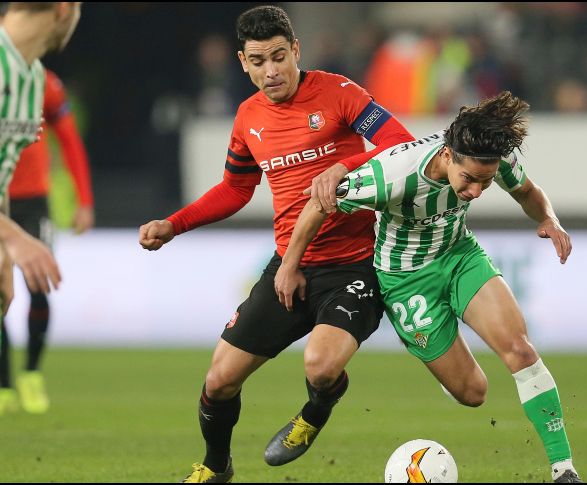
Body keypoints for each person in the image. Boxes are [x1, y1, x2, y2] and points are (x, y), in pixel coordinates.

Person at [138, 5, 413, 483]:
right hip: (290, 266)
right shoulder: (248, 118)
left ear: (296, 51)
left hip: (356, 265)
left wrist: (344, 167)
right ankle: (216, 465)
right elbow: (235, 189)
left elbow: (402, 145)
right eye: (258, 61)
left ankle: (314, 413)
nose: (271, 71)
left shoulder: (339, 92)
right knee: (219, 380)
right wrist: (174, 224)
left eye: (279, 57)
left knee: (321, 367)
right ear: (242, 63)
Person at [274, 91, 582, 483]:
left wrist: (550, 220)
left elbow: (526, 192)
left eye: (484, 183)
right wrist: (289, 265)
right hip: (405, 281)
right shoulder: (394, 174)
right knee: (472, 393)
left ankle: (563, 469)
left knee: (520, 350)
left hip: (459, 255)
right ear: (448, 155)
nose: (474, 192)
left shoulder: (495, 158)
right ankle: (444, 362)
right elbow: (319, 204)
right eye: (469, 179)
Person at [0, 2, 81, 416]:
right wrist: (13, 238)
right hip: (13, 221)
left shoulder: (33, 80)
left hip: (28, 204)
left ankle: (28, 375)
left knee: (23, 292)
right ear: (64, 9)